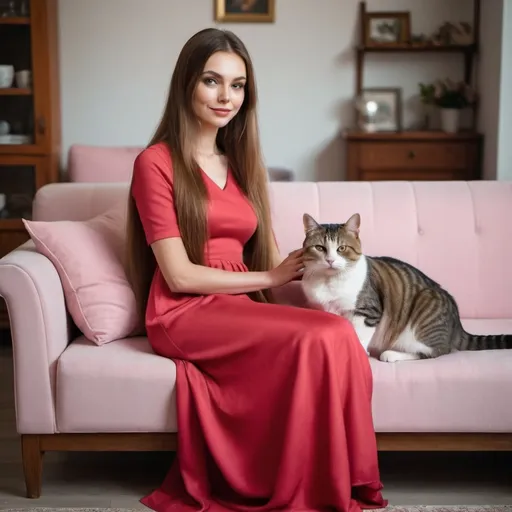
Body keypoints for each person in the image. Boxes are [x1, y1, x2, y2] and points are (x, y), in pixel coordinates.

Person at [126, 27, 387, 512]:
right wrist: (269, 279)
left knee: (335, 333)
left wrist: (312, 283)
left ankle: (341, 478)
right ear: (186, 83)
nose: (226, 96)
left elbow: (258, 254)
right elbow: (180, 276)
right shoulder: (155, 163)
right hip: (183, 311)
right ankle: (313, 490)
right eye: (212, 81)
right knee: (322, 338)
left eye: (238, 84)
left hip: (236, 303)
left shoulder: (240, 160)